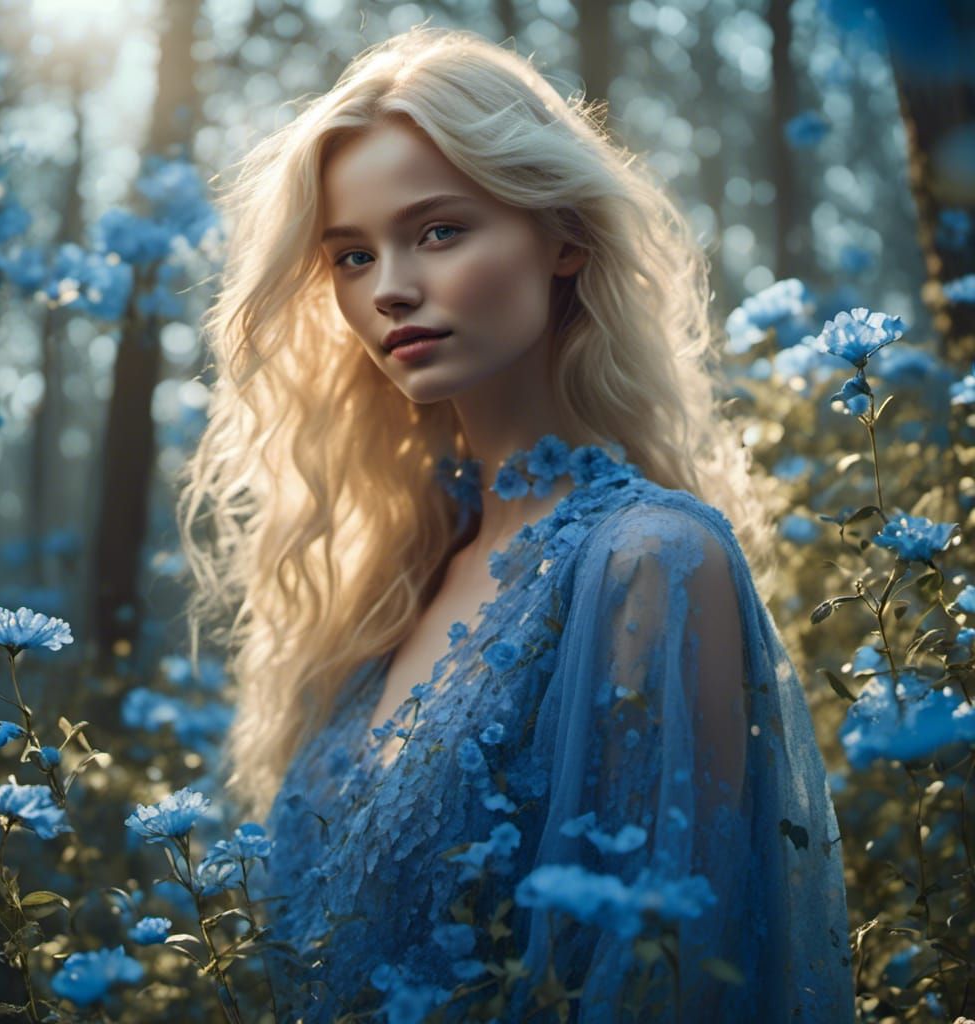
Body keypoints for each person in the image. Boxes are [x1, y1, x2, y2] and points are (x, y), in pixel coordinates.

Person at [177, 24, 855, 1023]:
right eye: (353, 256)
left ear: (564, 236)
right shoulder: (392, 581)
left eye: (439, 231)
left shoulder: (651, 561)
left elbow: (666, 976)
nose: (391, 288)